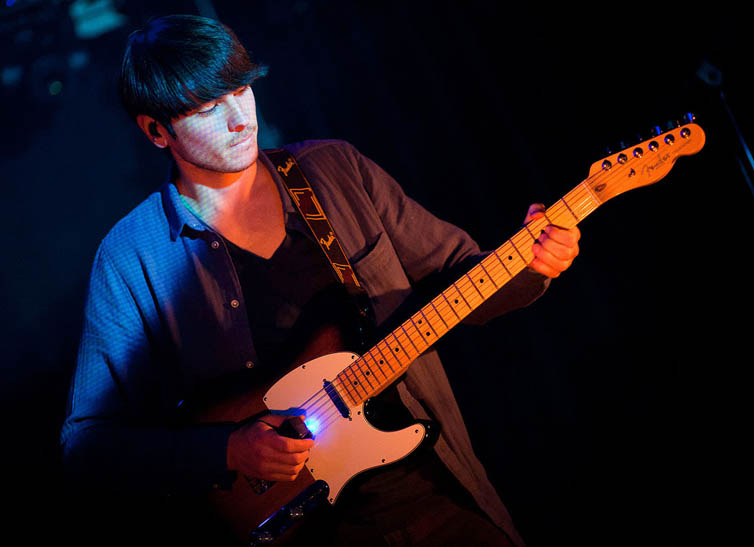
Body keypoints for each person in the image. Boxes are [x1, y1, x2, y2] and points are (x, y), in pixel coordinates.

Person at [60, 14, 580, 546]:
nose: (239, 119)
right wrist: (228, 450)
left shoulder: (336, 171)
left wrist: (531, 265)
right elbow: (88, 443)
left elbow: (459, 276)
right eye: (209, 107)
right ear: (155, 130)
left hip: (434, 497)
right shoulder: (131, 257)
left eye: (242, 90)